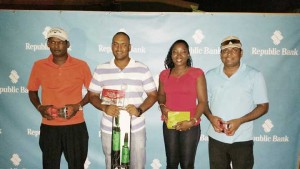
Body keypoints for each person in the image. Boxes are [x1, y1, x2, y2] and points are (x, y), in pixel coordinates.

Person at [88, 32, 157, 169]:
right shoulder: (101, 69)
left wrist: (139, 110)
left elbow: (153, 95)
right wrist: (105, 107)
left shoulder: (142, 68)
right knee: (112, 165)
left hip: (136, 127)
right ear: (111, 46)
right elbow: (92, 95)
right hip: (110, 128)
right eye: (115, 44)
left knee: (137, 165)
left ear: (130, 47)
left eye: (123, 45)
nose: (119, 48)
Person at [27, 27, 92, 169]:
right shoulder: (39, 65)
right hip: (49, 127)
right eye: (52, 42)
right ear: (48, 44)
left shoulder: (81, 65)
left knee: (77, 166)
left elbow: (93, 93)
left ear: (68, 44)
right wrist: (39, 107)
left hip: (75, 126)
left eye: (60, 42)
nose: (56, 46)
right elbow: (32, 91)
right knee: (50, 166)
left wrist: (77, 106)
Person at [204, 36, 269, 169]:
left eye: (234, 50)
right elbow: (203, 103)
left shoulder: (254, 75)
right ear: (220, 54)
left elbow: (263, 106)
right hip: (216, 139)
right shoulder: (210, 75)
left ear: (241, 53)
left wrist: (240, 121)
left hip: (242, 138)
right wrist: (211, 118)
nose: (229, 54)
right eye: (225, 51)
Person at [158, 39, 207, 169]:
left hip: (190, 124)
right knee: (171, 164)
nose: (179, 56)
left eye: (183, 52)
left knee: (187, 165)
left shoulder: (197, 73)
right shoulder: (164, 74)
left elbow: (202, 102)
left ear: (188, 54)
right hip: (170, 122)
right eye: (175, 52)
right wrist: (162, 107)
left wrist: (191, 121)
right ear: (171, 54)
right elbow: (161, 95)